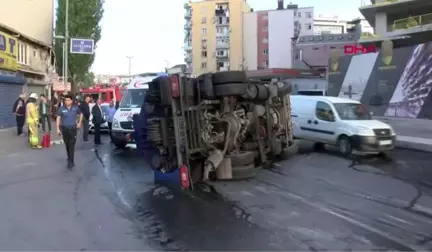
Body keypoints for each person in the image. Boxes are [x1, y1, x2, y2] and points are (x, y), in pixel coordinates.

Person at [56, 93, 82, 169]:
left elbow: (81, 114)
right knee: (67, 145)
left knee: (71, 146)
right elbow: (58, 118)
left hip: (73, 129)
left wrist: (79, 123)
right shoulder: (61, 108)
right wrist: (57, 129)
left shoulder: (75, 108)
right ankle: (69, 157)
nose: (67, 101)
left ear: (71, 101)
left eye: (68, 100)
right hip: (64, 129)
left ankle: (71, 162)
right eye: (65, 100)